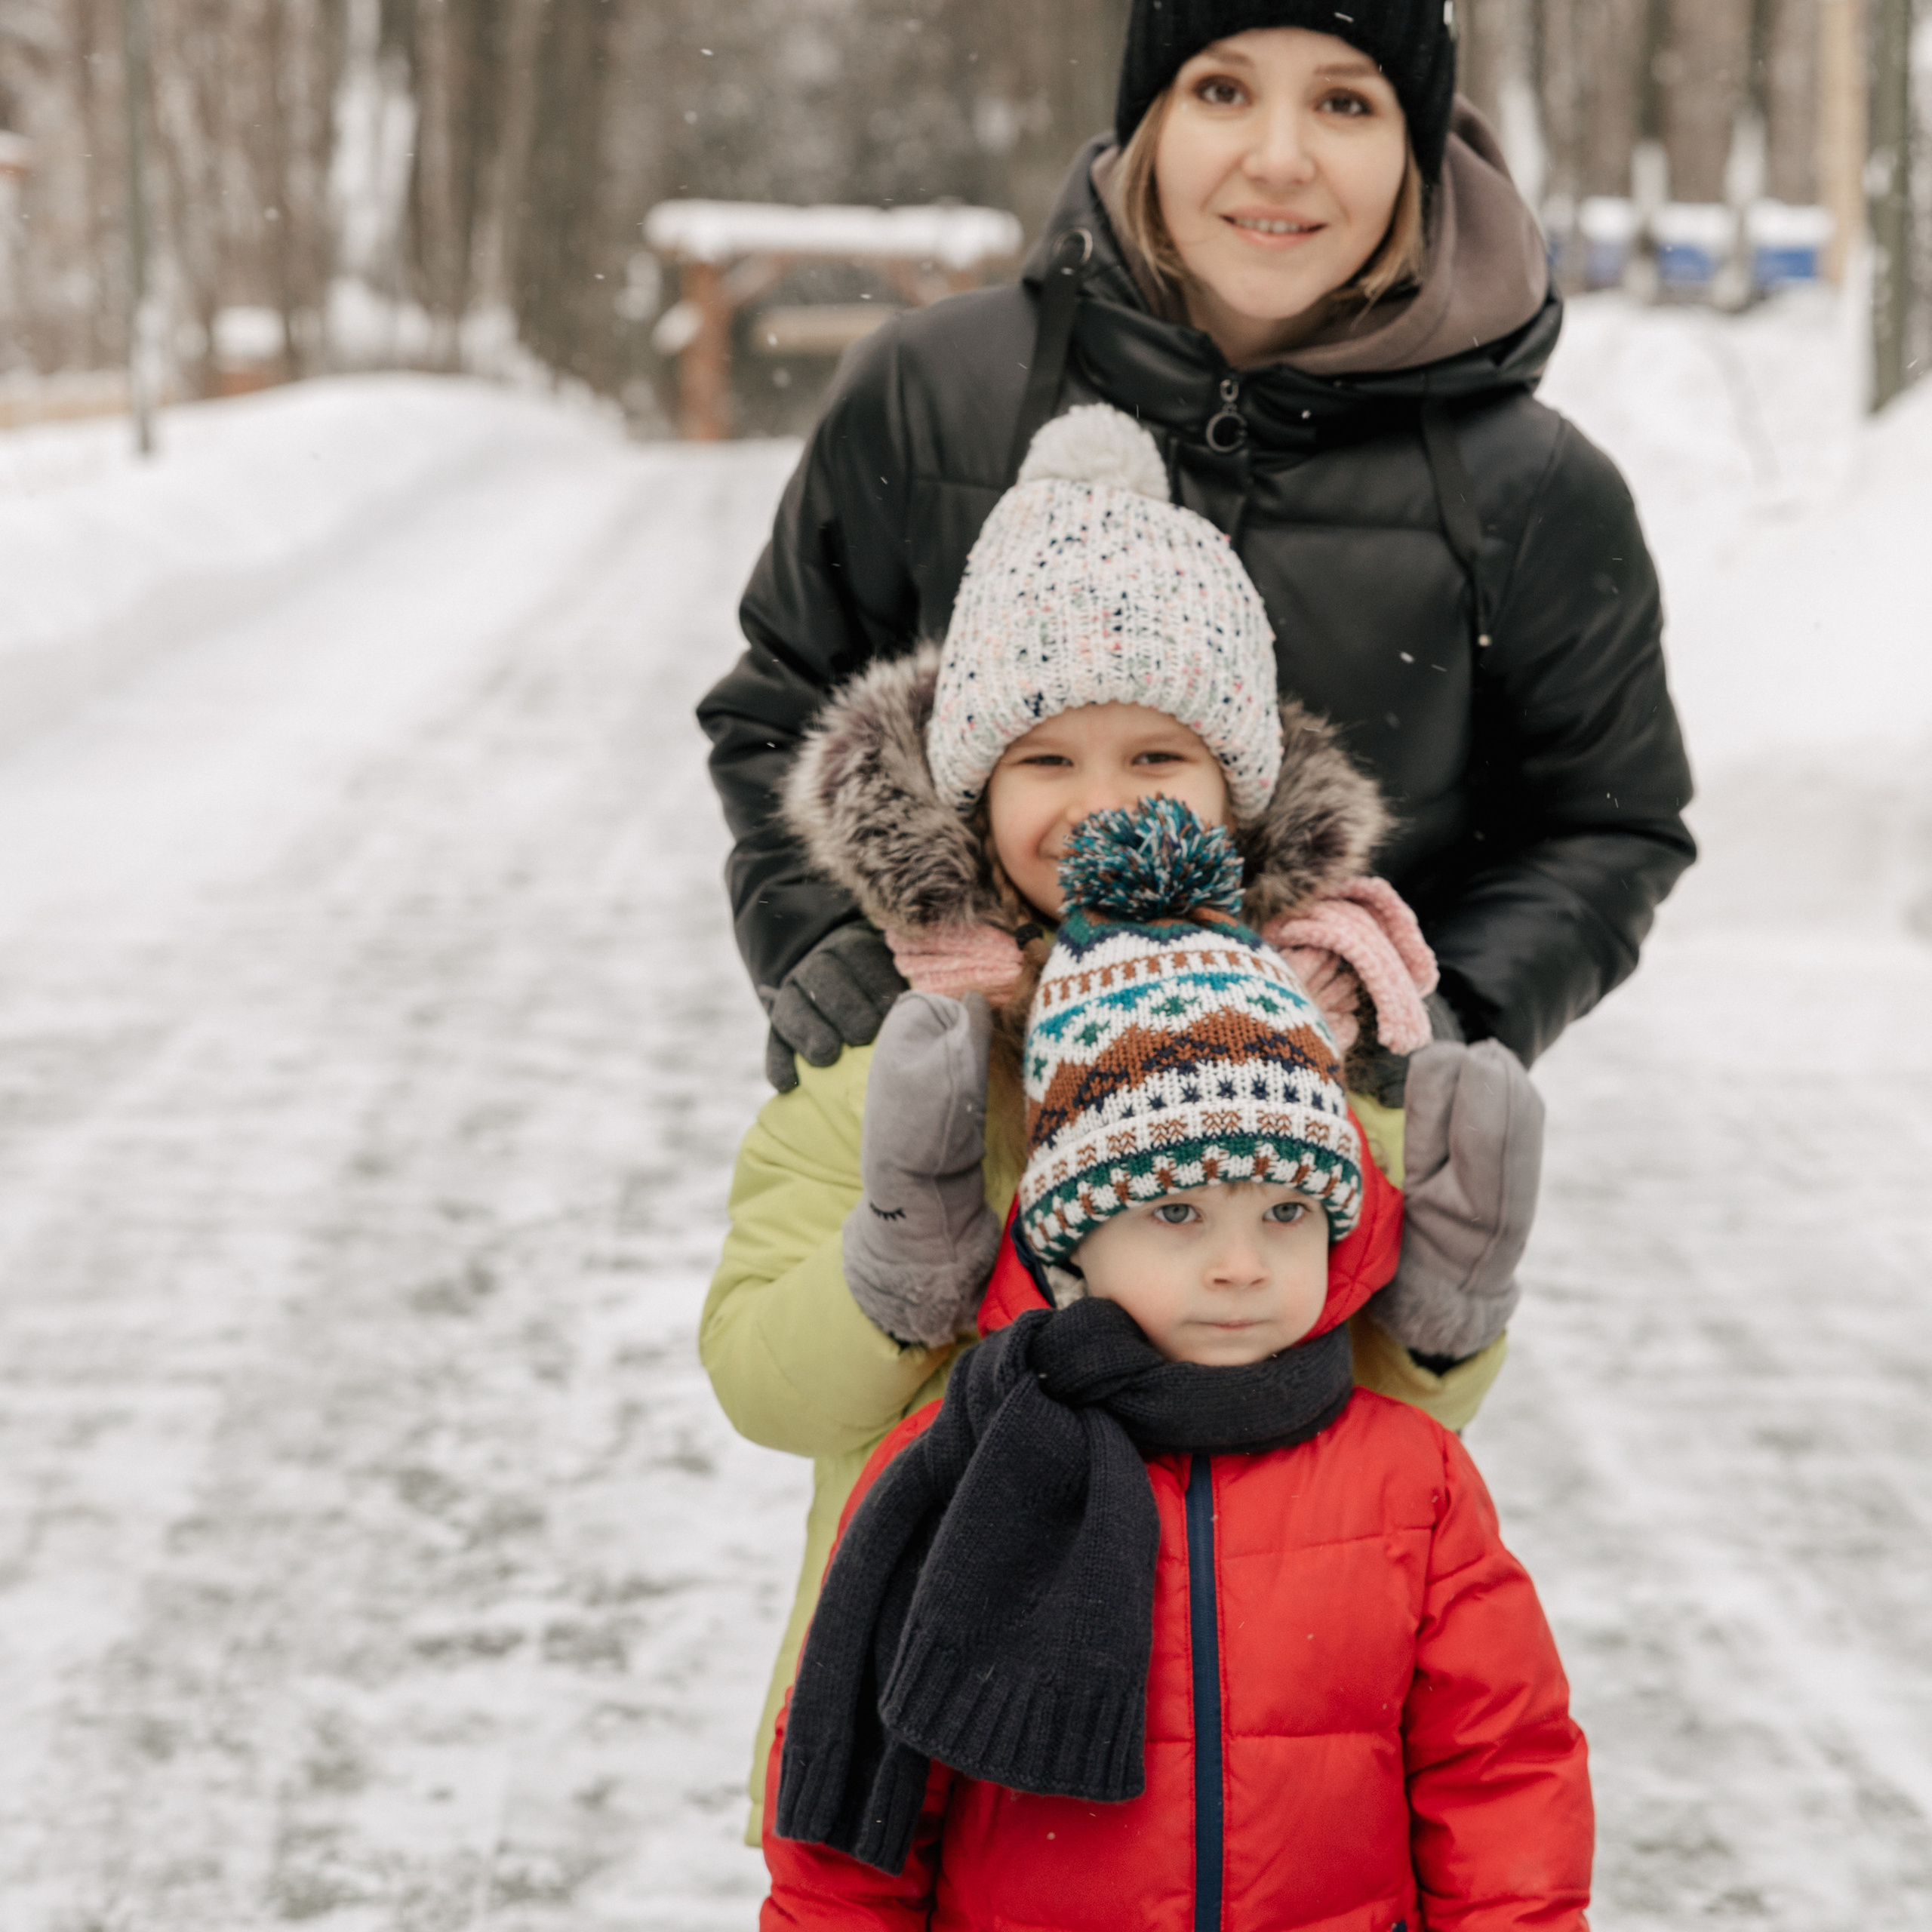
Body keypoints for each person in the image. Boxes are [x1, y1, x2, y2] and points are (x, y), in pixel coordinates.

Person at [704, 405, 1546, 1839]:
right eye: (1045, 760)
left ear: (1235, 788)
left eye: (1157, 758)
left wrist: (1442, 1316)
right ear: (972, 787)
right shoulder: (884, 1039)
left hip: (1269, 1736)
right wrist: (896, 1274)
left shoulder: (1323, 1042)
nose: (1099, 804)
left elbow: (1386, 1418)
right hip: (941, 1731)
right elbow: (769, 1390)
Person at [698, 2, 1694, 1101]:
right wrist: (822, 943)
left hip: (1303, 1198)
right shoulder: (930, 392)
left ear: (1413, 148)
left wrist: (1440, 1013)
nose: (1279, 158)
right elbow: (781, 710)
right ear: (1150, 124)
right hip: (950, 1138)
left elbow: (1606, 822)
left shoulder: (1532, 487)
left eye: (1345, 102)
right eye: (1223, 91)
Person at [761, 796, 1592, 1930]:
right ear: (1072, 1239)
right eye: (1177, 1215)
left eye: (1288, 1208)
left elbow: (1499, 1769)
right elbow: (856, 1825)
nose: (1243, 1265)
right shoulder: (966, 1462)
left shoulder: (1414, 1479)